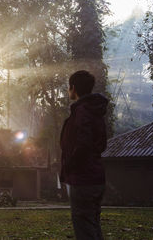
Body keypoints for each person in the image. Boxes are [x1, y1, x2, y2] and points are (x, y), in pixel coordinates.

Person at [59, 70, 108, 240]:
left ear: (73, 88)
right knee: (92, 225)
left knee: (84, 229)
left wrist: (69, 166)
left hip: (83, 179)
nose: (68, 91)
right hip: (96, 177)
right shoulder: (95, 112)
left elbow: (82, 145)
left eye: (68, 87)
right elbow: (101, 144)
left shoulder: (82, 112)